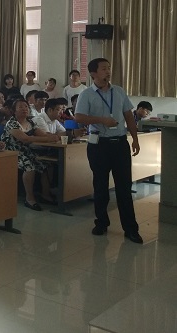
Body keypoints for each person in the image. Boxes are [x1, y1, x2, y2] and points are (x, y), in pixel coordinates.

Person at [74, 58, 143, 244]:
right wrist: (102, 120)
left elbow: (129, 116)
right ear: (93, 73)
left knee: (124, 187)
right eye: (104, 68)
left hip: (120, 144)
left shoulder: (118, 91)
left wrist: (135, 139)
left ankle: (131, 229)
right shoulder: (86, 94)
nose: (108, 71)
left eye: (109, 68)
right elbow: (79, 117)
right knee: (100, 186)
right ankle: (101, 223)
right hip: (99, 146)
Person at [2, 99, 59, 211]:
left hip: (27, 151)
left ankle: (45, 195)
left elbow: (42, 134)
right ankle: (29, 198)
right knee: (29, 167)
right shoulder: (12, 123)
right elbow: (25, 139)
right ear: (14, 111)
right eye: (20, 107)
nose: (24, 109)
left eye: (26, 107)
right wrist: (47, 139)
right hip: (13, 152)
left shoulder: (30, 122)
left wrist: (52, 136)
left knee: (45, 164)